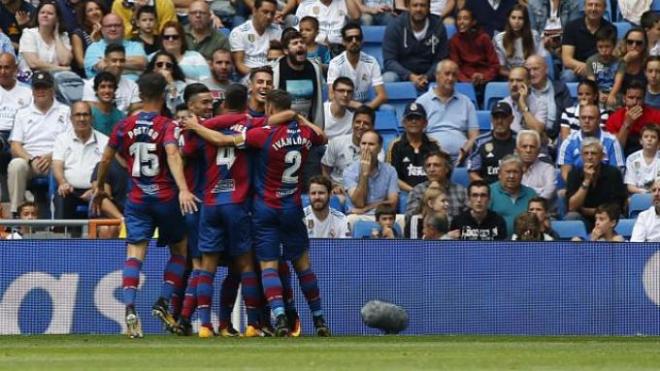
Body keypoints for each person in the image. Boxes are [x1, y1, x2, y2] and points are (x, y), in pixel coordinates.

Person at [92, 72, 198, 339]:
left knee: (134, 254)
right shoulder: (167, 125)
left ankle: (129, 307)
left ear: (139, 94)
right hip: (165, 198)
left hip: (137, 199)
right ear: (163, 95)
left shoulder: (123, 125)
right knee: (180, 250)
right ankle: (163, 300)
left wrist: (98, 188)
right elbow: (173, 153)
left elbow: (105, 160)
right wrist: (184, 188)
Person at [176, 83, 267, 338]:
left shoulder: (208, 126)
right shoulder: (253, 124)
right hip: (238, 204)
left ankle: (205, 325)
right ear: (245, 101)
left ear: (224, 102)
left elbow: (187, 152)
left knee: (208, 265)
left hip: (212, 203)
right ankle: (251, 324)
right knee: (245, 265)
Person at [244, 89, 330, 337]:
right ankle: (320, 320)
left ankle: (280, 317)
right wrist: (299, 118)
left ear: (270, 108)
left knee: (269, 266)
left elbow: (237, 138)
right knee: (303, 266)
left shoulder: (262, 135)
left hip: (265, 208)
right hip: (291, 207)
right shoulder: (305, 134)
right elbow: (322, 137)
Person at [8, 71, 70, 215]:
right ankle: (16, 214)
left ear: (52, 89)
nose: (41, 91)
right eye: (37, 87)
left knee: (59, 167)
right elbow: (15, 145)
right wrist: (31, 160)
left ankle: (58, 220)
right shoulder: (22, 113)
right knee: (16, 165)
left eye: (45, 87)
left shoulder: (65, 111)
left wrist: (51, 157)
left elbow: (70, 143)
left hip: (56, 160)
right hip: (30, 161)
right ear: (32, 90)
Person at [52, 101, 107, 223]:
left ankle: (100, 240)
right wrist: (62, 182)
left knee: (102, 199)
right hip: (70, 190)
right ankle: (59, 237)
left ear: (91, 118)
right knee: (61, 196)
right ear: (71, 118)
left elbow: (106, 170)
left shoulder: (104, 140)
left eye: (85, 115)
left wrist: (96, 189)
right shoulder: (62, 139)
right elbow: (57, 165)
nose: (81, 119)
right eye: (77, 115)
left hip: (94, 190)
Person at [415, 59, 479, 163]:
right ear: (437, 75)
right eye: (447, 74)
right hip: (431, 158)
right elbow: (416, 135)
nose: (450, 78)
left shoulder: (466, 102)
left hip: (462, 158)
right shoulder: (422, 102)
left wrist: (465, 150)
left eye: (454, 75)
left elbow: (474, 136)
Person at [381, 0, 448, 90]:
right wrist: (410, 76)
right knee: (388, 78)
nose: (418, 9)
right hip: (402, 73)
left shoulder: (438, 26)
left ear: (429, 8)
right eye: (415, 5)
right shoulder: (395, 25)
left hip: (430, 74)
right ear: (408, 7)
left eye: (422, 5)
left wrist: (427, 77)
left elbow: (441, 59)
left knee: (448, 75)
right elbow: (389, 61)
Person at [321, 106, 383, 200]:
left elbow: (374, 180)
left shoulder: (378, 151)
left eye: (366, 123)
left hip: (364, 191)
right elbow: (325, 169)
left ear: (372, 127)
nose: (361, 126)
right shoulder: (337, 143)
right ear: (352, 123)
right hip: (337, 192)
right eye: (358, 122)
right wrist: (332, 186)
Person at [565, 138, 626, 229]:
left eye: (593, 153)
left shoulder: (613, 173)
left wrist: (588, 211)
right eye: (586, 153)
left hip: (607, 218)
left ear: (602, 156)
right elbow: (572, 207)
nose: (589, 157)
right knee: (571, 217)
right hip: (583, 219)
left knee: (619, 219)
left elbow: (616, 207)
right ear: (581, 156)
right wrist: (587, 180)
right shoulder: (574, 174)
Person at [344, 130, 399, 225]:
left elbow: (393, 203)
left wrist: (367, 208)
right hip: (358, 216)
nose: (366, 148)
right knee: (350, 220)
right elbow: (359, 203)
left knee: (402, 219)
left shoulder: (390, 171)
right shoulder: (349, 171)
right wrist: (364, 174)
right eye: (363, 143)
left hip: (383, 216)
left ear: (380, 148)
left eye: (371, 144)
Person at [327, 22, 387, 109]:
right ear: (343, 42)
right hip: (343, 106)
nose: (354, 41)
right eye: (349, 39)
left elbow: (382, 95)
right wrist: (357, 106)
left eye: (357, 38)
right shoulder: (336, 63)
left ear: (362, 41)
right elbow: (332, 96)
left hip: (365, 104)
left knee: (387, 108)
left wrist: (365, 109)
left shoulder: (371, 62)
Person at [558, 103, 624, 181]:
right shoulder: (569, 142)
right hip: (577, 188)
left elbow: (617, 172)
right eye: (583, 118)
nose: (586, 121)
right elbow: (566, 173)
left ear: (599, 120)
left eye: (591, 118)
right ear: (579, 119)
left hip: (605, 188)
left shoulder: (612, 141)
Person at [272, 29, 324, 125]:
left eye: (302, 42)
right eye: (295, 43)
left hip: (308, 126)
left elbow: (318, 104)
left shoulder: (314, 68)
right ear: (286, 51)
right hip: (283, 127)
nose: (300, 45)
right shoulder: (277, 69)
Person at [386, 102, 441, 192]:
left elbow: (439, 173)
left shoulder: (434, 145)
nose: (414, 121)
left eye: (418, 118)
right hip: (404, 193)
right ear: (403, 123)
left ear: (425, 123)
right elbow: (392, 177)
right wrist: (414, 191)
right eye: (410, 118)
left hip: (430, 192)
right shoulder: (395, 146)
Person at [560, 0, 615, 82]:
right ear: (584, 7)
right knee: (568, 76)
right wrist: (585, 67)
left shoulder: (610, 29)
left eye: (597, 5)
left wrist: (590, 68)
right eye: (590, 5)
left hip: (600, 68)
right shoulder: (571, 27)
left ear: (604, 8)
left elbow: (611, 60)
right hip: (577, 68)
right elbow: (567, 59)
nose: (593, 9)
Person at [405, 150, 467, 222]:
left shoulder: (461, 191)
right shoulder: (418, 190)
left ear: (446, 169)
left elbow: (469, 219)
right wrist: (427, 195)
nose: (431, 169)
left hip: (455, 231)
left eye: (436, 165)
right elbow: (409, 219)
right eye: (428, 166)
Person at [448, 7, 499, 94]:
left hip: (485, 80)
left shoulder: (484, 38)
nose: (461, 22)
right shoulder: (454, 40)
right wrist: (467, 82)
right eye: (459, 19)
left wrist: (483, 76)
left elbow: (494, 65)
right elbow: (456, 66)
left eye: (465, 19)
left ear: (473, 22)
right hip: (465, 82)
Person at [84, 13, 147, 81]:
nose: (113, 29)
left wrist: (109, 61)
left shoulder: (135, 46)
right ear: (102, 29)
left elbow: (142, 63)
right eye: (109, 26)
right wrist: (134, 69)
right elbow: (103, 67)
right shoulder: (93, 48)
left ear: (123, 28)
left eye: (117, 25)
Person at [605, 80, 660, 156]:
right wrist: (627, 124)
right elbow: (616, 149)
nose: (635, 102)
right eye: (631, 98)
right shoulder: (614, 118)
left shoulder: (656, 116)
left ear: (644, 99)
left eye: (639, 98)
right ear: (624, 98)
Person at [82, 43, 141, 114]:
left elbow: (135, 112)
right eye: (114, 61)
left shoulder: (132, 85)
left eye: (121, 61)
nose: (118, 64)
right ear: (105, 62)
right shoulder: (90, 85)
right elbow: (92, 113)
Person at [229, 0, 282, 77]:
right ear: (254, 11)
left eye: (272, 13)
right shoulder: (239, 32)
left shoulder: (278, 31)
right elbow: (239, 64)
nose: (269, 16)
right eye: (265, 12)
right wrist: (259, 76)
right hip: (248, 76)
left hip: (273, 75)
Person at [525, 54, 572, 140]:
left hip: (557, 137)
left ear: (546, 69)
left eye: (535, 69)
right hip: (530, 139)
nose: (531, 73)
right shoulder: (523, 91)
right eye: (528, 70)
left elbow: (569, 115)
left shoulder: (560, 88)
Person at [468, 101, 517, 184]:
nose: (499, 121)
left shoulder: (519, 140)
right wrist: (489, 190)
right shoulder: (480, 141)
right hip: (489, 191)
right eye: (496, 117)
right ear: (491, 119)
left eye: (503, 117)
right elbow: (473, 172)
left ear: (511, 119)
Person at [488, 154, 537, 235]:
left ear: (522, 174)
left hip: (524, 243)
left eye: (515, 172)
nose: (511, 176)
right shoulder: (489, 192)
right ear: (499, 174)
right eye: (508, 172)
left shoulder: (531, 194)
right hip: (496, 243)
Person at [18, 1, 72, 74]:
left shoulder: (63, 36)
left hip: (57, 80)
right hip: (31, 80)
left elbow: (65, 61)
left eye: (50, 13)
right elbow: (33, 64)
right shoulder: (28, 34)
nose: (45, 15)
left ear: (57, 18)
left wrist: (56, 36)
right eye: (42, 12)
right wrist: (60, 69)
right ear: (37, 16)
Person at [494, 5, 545, 79]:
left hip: (532, 76)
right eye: (513, 18)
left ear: (526, 20)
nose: (516, 22)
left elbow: (541, 63)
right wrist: (518, 76)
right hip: (510, 77)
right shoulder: (499, 39)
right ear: (508, 19)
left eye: (520, 18)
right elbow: (501, 69)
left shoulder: (535, 36)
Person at [500, 66, 548, 135]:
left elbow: (537, 131)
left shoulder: (540, 104)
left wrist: (523, 105)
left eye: (519, 80)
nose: (514, 84)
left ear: (529, 83)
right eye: (511, 80)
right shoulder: (502, 105)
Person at [294, 0, 361, 49]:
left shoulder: (344, 2)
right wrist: (323, 39)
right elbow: (297, 30)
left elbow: (356, 16)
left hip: (340, 47)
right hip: (314, 47)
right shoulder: (306, 4)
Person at [0, 53, 32, 151]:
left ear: (15, 69)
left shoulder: (28, 91)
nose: (3, 71)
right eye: (0, 67)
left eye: (7, 67)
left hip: (20, 137)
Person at [585, 26, 620, 108]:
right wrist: (598, 94)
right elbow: (591, 82)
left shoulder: (620, 62)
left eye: (607, 46)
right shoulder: (591, 61)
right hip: (597, 91)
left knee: (612, 103)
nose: (604, 50)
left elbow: (618, 82)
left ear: (614, 46)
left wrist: (611, 95)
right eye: (600, 47)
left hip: (615, 92)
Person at [516, 129, 555, 200]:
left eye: (532, 147)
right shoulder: (512, 169)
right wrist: (538, 191)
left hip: (541, 210)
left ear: (538, 150)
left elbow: (549, 192)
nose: (528, 150)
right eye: (524, 146)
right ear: (517, 149)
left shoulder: (547, 169)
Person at [70, 0, 105, 72]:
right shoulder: (78, 34)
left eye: (97, 9)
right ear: (85, 16)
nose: (95, 12)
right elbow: (81, 63)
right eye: (90, 10)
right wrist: (92, 41)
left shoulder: (108, 31)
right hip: (88, 75)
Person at [624, 125, 660, 194]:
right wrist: (645, 193)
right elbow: (630, 186)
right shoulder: (631, 159)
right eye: (646, 136)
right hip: (639, 195)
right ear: (640, 141)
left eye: (653, 137)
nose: (649, 139)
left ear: (659, 143)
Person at [111, 0, 176, 38]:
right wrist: (136, 14)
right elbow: (120, 34)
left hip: (159, 46)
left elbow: (169, 33)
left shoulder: (165, 3)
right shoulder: (119, 4)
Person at [88, 71, 125, 136]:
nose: (107, 91)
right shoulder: (90, 115)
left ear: (115, 90)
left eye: (110, 87)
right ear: (96, 90)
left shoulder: (121, 116)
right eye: (102, 87)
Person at [201, 49, 235, 113]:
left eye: (227, 63)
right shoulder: (201, 87)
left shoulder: (236, 89)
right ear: (211, 65)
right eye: (219, 62)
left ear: (232, 65)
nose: (224, 67)